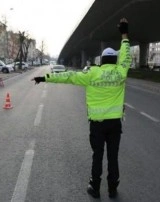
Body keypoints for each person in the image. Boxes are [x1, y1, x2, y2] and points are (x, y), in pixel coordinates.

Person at [32, 17, 131, 199]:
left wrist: (44, 77)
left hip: (97, 125)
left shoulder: (91, 73)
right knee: (113, 157)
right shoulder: (120, 72)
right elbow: (126, 56)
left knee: (97, 155)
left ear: (102, 60)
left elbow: (68, 76)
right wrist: (124, 34)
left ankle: (94, 187)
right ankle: (112, 189)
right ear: (115, 61)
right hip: (115, 124)